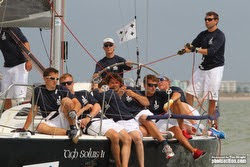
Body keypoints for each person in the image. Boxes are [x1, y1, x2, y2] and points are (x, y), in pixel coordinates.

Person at [59, 73, 132, 167]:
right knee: (115, 136)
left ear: (73, 83)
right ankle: (118, 165)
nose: (66, 86)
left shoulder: (84, 93)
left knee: (127, 138)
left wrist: (89, 116)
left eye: (68, 83)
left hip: (100, 118)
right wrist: (85, 108)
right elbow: (72, 116)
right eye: (63, 84)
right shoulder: (65, 100)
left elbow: (97, 106)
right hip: (87, 123)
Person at [104, 72, 175, 159]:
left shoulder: (129, 89)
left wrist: (133, 94)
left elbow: (146, 102)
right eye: (112, 83)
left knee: (143, 118)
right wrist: (118, 96)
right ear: (108, 84)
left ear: (120, 83)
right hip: (131, 119)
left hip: (140, 113)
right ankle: (158, 134)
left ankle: (164, 143)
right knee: (141, 133)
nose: (114, 85)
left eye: (116, 82)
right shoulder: (108, 95)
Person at [142, 74, 206, 160]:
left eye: (155, 85)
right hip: (151, 122)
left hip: (162, 119)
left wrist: (170, 101)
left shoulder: (160, 94)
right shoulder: (139, 95)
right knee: (176, 129)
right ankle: (193, 149)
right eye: (150, 85)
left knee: (176, 103)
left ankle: (193, 146)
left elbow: (177, 94)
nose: (153, 87)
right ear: (144, 85)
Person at [180, 11, 225, 128]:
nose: (207, 21)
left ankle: (210, 125)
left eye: (209, 19)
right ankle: (189, 121)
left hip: (215, 68)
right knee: (189, 92)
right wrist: (184, 50)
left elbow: (211, 52)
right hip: (203, 67)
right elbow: (192, 45)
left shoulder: (220, 35)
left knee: (211, 98)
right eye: (205, 19)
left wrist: (194, 49)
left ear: (216, 21)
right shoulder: (203, 34)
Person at [22, 68, 81, 144]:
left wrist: (74, 111)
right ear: (45, 78)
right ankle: (69, 132)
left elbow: (77, 103)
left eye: (57, 79)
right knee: (39, 127)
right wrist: (24, 128)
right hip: (50, 119)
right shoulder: (38, 90)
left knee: (66, 100)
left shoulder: (62, 89)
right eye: (52, 78)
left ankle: (73, 127)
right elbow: (34, 110)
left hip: (65, 117)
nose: (55, 81)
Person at [0, 27, 32, 110]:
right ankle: (6, 116)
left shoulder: (12, 28)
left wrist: (28, 59)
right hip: (7, 66)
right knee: (6, 95)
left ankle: (19, 113)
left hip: (19, 64)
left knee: (19, 96)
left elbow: (25, 42)